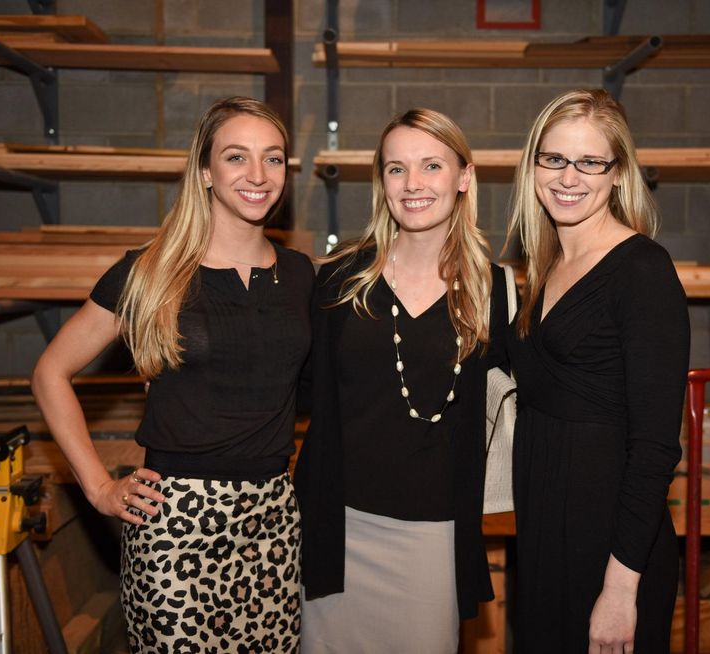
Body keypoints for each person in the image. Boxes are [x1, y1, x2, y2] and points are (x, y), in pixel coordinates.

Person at [31, 96, 313, 653]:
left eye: (273, 158)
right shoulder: (150, 271)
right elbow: (50, 373)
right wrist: (99, 488)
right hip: (175, 519)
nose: (258, 175)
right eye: (237, 157)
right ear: (206, 171)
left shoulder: (301, 274)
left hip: (274, 517)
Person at [294, 108, 509, 652]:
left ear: (463, 178)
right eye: (396, 169)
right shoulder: (340, 278)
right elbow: (291, 386)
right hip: (335, 530)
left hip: (431, 540)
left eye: (431, 165)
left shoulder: (495, 291)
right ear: (381, 181)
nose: (413, 184)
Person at [505, 88, 690, 653]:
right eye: (554, 158)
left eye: (590, 162)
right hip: (542, 535)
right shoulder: (544, 267)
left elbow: (656, 445)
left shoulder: (643, 271)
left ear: (617, 173)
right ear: (534, 164)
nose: (569, 177)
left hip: (609, 550)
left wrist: (619, 589)